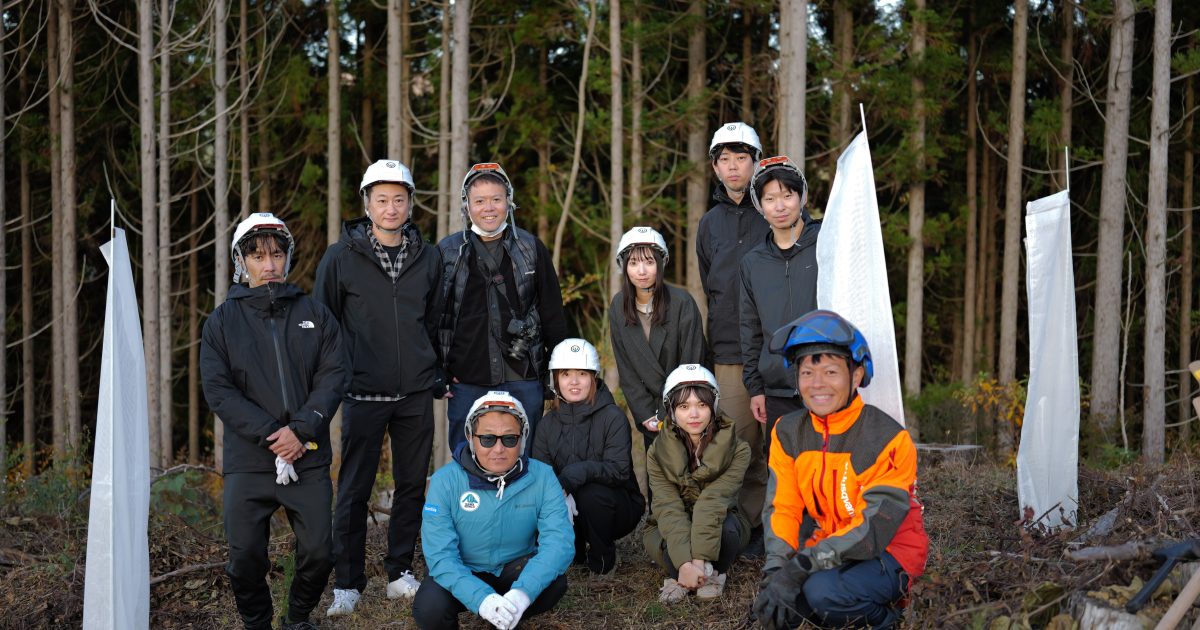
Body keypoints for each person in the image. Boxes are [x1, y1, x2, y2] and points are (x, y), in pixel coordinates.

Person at [313, 159, 446, 615]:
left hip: (413, 394)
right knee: (353, 489)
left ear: (411, 203)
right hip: (362, 393)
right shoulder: (340, 257)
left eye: (399, 198)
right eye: (382, 199)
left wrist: (435, 371)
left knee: (412, 485)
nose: (391, 208)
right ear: (366, 203)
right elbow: (323, 325)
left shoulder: (428, 257)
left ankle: (398, 572)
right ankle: (347, 583)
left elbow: (435, 321)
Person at [200, 213, 344, 630]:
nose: (269, 265)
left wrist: (300, 431)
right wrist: (272, 435)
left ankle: (297, 619)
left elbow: (333, 377)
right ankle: (257, 623)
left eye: (277, 255)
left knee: (319, 551)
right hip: (250, 459)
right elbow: (219, 391)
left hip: (308, 454)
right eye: (258, 257)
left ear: (287, 259)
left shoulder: (315, 315)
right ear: (240, 262)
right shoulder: (221, 323)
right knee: (245, 556)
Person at [752, 310, 928, 630]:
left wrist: (803, 565)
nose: (817, 384)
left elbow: (871, 530)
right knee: (787, 609)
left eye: (831, 372)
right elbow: (783, 508)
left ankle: (893, 621)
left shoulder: (887, 437)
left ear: (857, 375)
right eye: (807, 373)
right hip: (832, 545)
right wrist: (777, 571)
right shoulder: (788, 431)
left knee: (824, 594)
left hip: (891, 550)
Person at [437, 162, 568, 453]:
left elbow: (553, 315)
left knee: (525, 458)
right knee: (466, 457)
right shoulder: (447, 252)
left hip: (524, 375)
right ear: (467, 205)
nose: (488, 208)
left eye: (496, 199)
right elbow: (436, 318)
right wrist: (440, 371)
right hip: (467, 378)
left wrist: (556, 373)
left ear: (508, 201)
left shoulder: (531, 248)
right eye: (479, 200)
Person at [414, 392, 573, 630]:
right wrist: (481, 599)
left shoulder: (543, 476)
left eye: (509, 439)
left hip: (515, 572)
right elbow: (440, 555)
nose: (498, 449)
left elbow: (559, 542)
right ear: (470, 437)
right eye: (487, 439)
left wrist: (523, 593)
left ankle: (507, 615)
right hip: (464, 569)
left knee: (555, 583)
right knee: (430, 608)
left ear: (523, 438)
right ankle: (491, 608)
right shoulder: (445, 481)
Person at [695, 122, 772, 545]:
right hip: (729, 352)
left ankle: (772, 525)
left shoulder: (777, 209)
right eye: (724, 159)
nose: (733, 167)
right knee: (739, 444)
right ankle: (743, 527)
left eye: (741, 158)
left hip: (776, 348)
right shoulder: (709, 224)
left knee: (776, 444)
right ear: (715, 168)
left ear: (756, 161)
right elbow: (713, 286)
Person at [531, 339, 645, 575]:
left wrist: (572, 477)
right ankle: (572, 552)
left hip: (616, 506)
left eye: (582, 374)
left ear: (593, 377)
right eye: (565, 374)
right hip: (565, 505)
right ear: (556, 379)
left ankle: (603, 560)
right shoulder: (546, 424)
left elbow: (619, 470)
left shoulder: (612, 416)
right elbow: (541, 475)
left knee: (591, 494)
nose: (573, 382)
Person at [643, 364, 751, 604]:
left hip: (717, 520)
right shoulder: (656, 452)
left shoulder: (739, 450)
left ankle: (708, 573)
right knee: (664, 538)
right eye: (683, 406)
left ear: (713, 406)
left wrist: (698, 560)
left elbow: (713, 501)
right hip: (675, 523)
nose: (693, 414)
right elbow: (667, 505)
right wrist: (683, 562)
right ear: (671, 409)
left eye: (701, 405)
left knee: (729, 532)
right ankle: (682, 573)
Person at [740, 155, 821, 448]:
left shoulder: (825, 244)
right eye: (771, 198)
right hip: (777, 391)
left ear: (802, 197)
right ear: (760, 205)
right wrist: (755, 388)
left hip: (825, 383)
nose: (780, 205)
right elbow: (749, 329)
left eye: (788, 195)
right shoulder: (753, 262)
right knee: (782, 474)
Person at [608, 226, 708, 451]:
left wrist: (669, 412)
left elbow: (692, 362)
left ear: (661, 264)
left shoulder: (682, 303)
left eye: (649, 262)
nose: (641, 271)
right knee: (658, 477)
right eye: (633, 263)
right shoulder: (618, 306)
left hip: (687, 406)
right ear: (624, 267)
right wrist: (645, 414)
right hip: (649, 412)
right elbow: (626, 368)